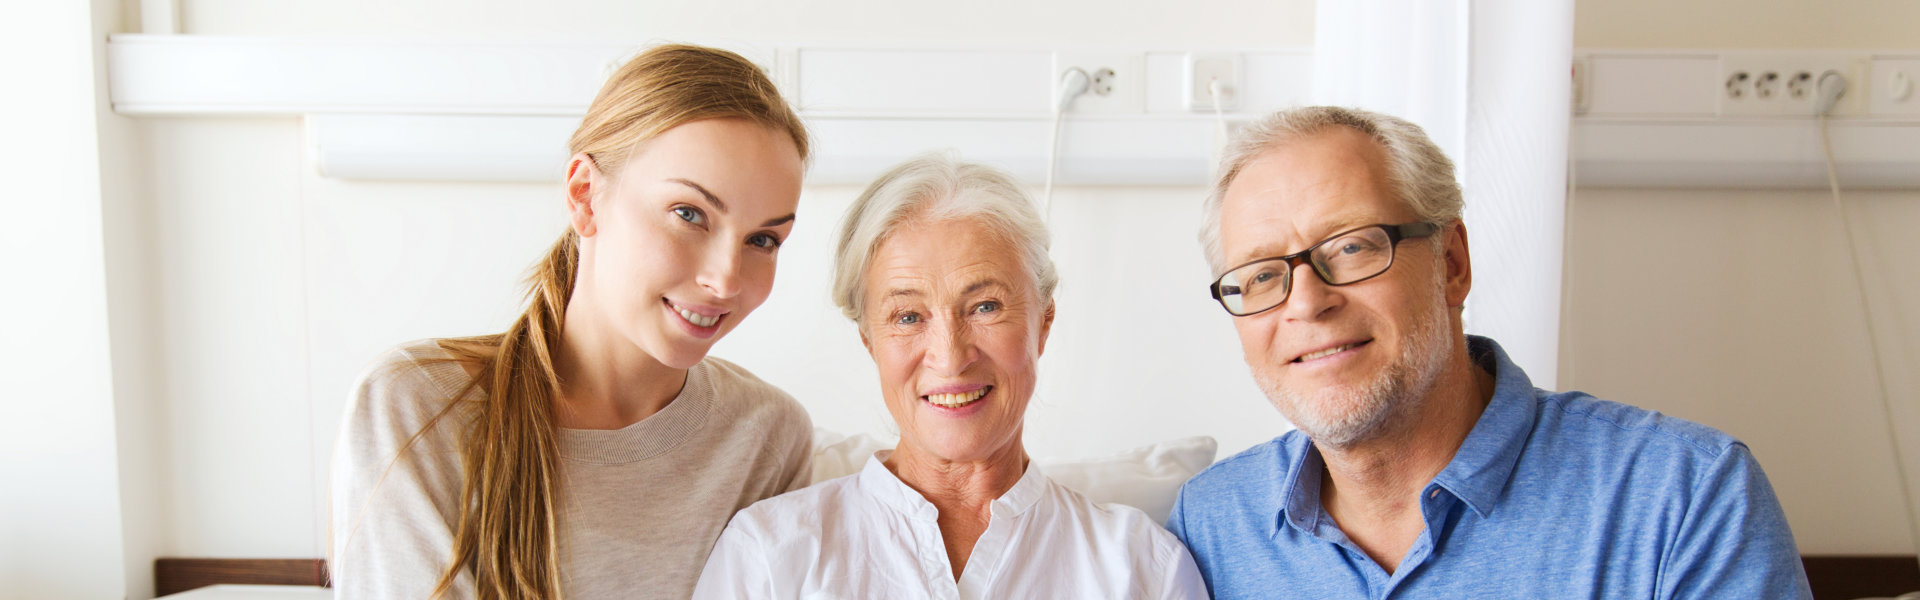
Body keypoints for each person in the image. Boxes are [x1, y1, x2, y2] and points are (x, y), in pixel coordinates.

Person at [1168, 106, 1812, 598]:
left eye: (1353, 247)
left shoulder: (1684, 496)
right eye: (1259, 276)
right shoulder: (1212, 525)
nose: (1306, 303)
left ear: (1451, 264)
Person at [329, 44, 815, 599]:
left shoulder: (769, 436)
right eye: (689, 214)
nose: (726, 280)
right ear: (585, 195)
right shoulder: (419, 404)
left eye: (763, 240)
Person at [690, 155, 1206, 599]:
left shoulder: (1141, 566)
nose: (950, 356)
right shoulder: (770, 554)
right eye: (908, 317)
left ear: (1042, 322)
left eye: (985, 306)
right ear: (869, 340)